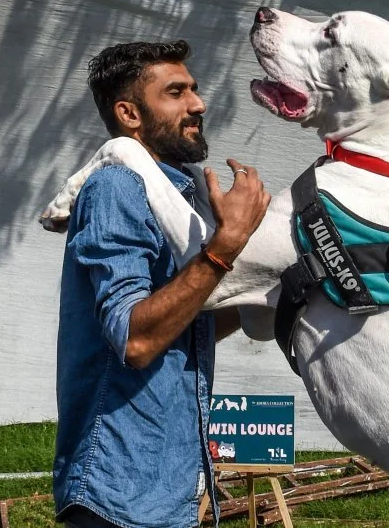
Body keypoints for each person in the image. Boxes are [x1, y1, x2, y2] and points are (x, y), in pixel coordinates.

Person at [52, 40, 270, 528]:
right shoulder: (116, 188)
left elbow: (184, 332)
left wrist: (275, 290)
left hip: (171, 488)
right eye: (176, 92)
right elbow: (136, 337)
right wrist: (225, 247)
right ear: (129, 113)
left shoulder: (181, 194)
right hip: (118, 493)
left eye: (193, 89)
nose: (198, 103)